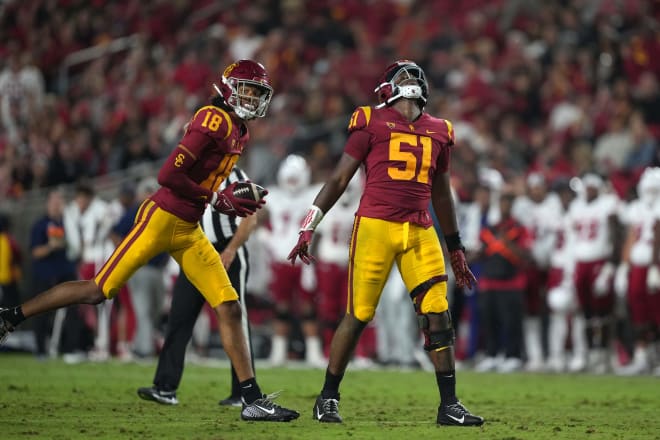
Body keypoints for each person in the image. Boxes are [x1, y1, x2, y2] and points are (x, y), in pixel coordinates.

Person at [0, 59, 299, 422]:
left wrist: (228, 193)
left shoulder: (239, 129)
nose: (253, 99)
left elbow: (203, 179)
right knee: (97, 290)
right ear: (229, 88)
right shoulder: (213, 119)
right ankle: (11, 316)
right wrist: (219, 199)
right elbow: (167, 174)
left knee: (229, 306)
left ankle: (251, 400)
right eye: (247, 90)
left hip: (189, 228)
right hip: (161, 219)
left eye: (257, 93)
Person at [287, 60, 483, 426]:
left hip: (420, 229)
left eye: (414, 75)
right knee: (359, 314)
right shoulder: (369, 120)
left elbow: (442, 194)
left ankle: (449, 405)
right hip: (375, 225)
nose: (409, 79)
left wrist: (455, 247)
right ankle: (327, 396)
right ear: (387, 88)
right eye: (402, 75)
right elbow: (339, 178)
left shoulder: (440, 130)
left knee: (438, 313)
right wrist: (309, 225)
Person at [137, 166, 258, 406]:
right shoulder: (190, 174)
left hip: (227, 252)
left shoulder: (237, 177)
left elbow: (250, 219)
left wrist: (231, 249)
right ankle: (165, 387)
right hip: (197, 250)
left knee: (236, 321)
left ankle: (243, 392)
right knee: (179, 317)